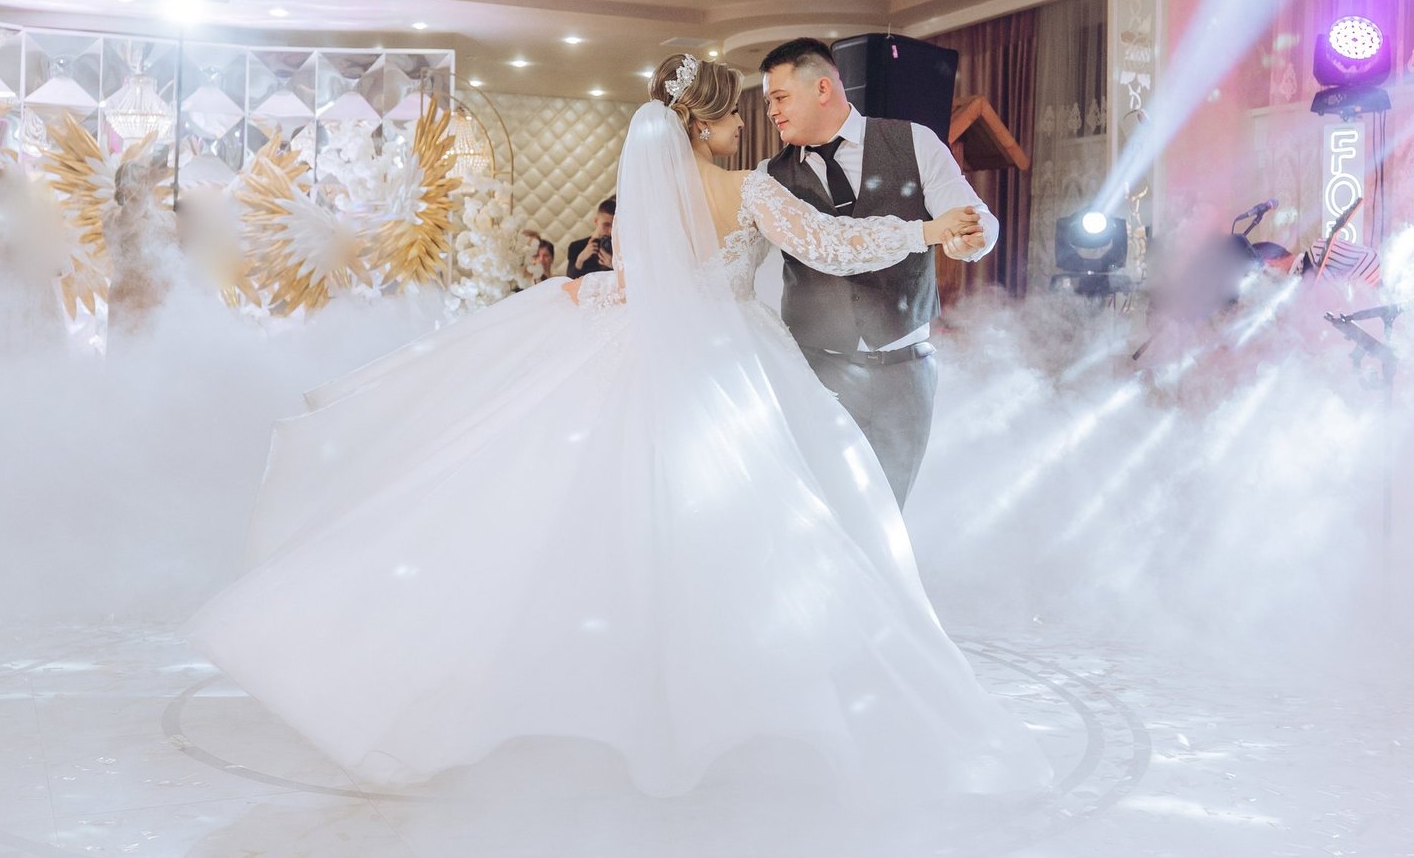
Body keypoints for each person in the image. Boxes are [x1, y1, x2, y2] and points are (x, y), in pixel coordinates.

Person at [185, 52, 1047, 802]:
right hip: (731, 366)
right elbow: (828, 245)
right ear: (713, 121)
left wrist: (580, 291)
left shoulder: (648, 193)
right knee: (762, 535)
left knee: (604, 528)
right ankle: (740, 707)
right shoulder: (745, 188)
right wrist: (926, 228)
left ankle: (609, 702)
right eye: (741, 109)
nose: (753, 121)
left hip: (655, 359)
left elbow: (634, 284)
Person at [759, 38, 995, 504]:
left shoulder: (915, 141)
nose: (771, 111)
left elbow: (970, 215)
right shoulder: (768, 177)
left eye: (779, 97)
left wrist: (975, 237)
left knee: (890, 508)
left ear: (822, 87)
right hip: (815, 371)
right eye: (769, 102)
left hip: (905, 372)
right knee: (825, 508)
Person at [564, 197, 616, 279]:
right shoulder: (576, 247)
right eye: (606, 225)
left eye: (614, 226)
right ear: (596, 221)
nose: (610, 230)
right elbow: (569, 280)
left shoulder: (620, 248)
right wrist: (580, 259)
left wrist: (613, 266)